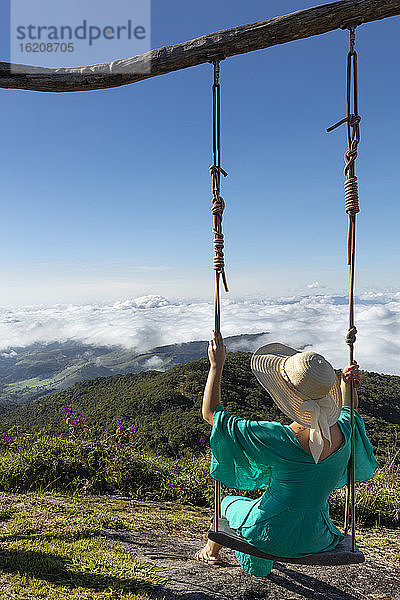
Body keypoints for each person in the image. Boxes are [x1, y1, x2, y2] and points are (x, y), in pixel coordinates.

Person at [195, 331, 378, 576]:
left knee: (228, 504)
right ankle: (255, 556)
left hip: (269, 533)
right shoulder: (347, 431)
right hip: (318, 536)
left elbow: (212, 415)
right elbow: (349, 410)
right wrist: (347, 386)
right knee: (266, 515)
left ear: (288, 395)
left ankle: (211, 553)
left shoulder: (277, 438)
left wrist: (216, 366)